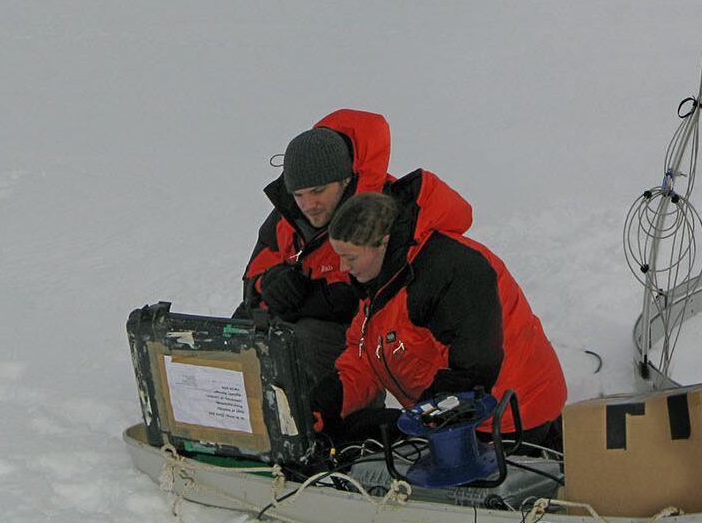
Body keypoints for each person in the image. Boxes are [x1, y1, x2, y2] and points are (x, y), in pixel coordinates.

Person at [310, 180, 567, 455]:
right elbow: (365, 356)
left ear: (383, 243)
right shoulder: (384, 279)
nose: (342, 267)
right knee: (356, 431)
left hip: (510, 419)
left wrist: (409, 425)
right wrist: (332, 400)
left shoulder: (453, 271)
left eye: (349, 257)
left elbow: (473, 371)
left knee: (376, 438)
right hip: (454, 414)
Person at [236, 110, 398, 389]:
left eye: (318, 191)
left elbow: (389, 296)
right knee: (239, 329)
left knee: (303, 338)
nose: (309, 204)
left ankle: (328, 420)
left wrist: (314, 297)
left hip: (367, 341)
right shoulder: (287, 218)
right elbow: (254, 281)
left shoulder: (384, 207)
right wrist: (270, 286)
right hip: (303, 324)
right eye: (299, 195)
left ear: (345, 180)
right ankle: (227, 412)